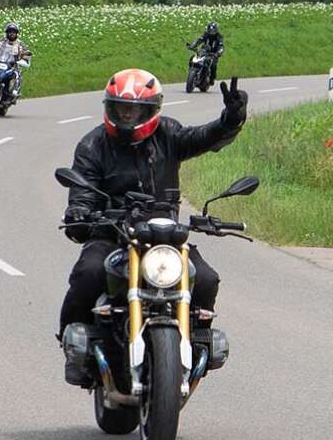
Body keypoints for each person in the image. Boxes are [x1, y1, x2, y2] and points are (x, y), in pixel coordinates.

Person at [57, 69, 249, 386]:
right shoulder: (93, 145)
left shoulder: (168, 134)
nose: (127, 116)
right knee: (87, 274)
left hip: (164, 237)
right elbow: (83, 188)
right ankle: (75, 349)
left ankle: (198, 342)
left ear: (152, 109)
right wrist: (80, 211)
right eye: (121, 108)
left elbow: (203, 138)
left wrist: (231, 118)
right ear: (110, 107)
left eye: (133, 110)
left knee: (205, 279)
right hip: (112, 233)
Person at [0, 22, 33, 98]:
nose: (12, 34)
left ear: (17, 33)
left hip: (12, 65)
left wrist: (24, 56)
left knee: (17, 73)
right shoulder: (1, 41)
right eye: (10, 32)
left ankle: (15, 91)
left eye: (14, 32)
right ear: (7, 32)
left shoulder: (20, 44)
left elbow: (26, 53)